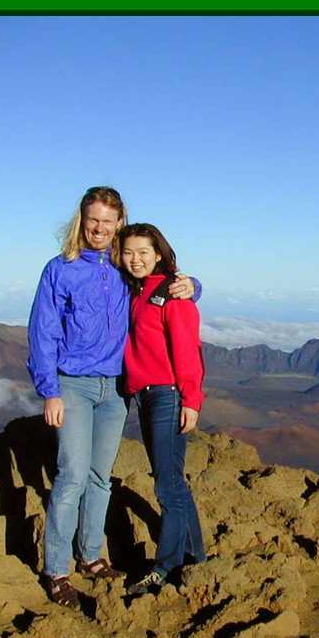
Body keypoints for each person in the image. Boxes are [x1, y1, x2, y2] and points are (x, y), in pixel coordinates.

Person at [27, 187, 199, 608]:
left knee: (100, 477)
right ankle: (57, 570)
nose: (100, 229)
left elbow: (163, 283)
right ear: (81, 221)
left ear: (119, 223)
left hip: (117, 389)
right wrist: (49, 391)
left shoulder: (125, 268)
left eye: (108, 221)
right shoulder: (60, 269)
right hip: (74, 385)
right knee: (70, 475)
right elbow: (42, 331)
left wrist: (192, 285)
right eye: (93, 220)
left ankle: (91, 556)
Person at [115, 223, 207, 596]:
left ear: (158, 254)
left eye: (143, 252)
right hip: (146, 395)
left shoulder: (172, 294)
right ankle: (194, 559)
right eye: (128, 252)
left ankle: (165, 567)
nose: (135, 259)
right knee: (174, 483)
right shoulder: (136, 292)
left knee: (167, 487)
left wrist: (191, 399)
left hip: (168, 396)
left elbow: (187, 350)